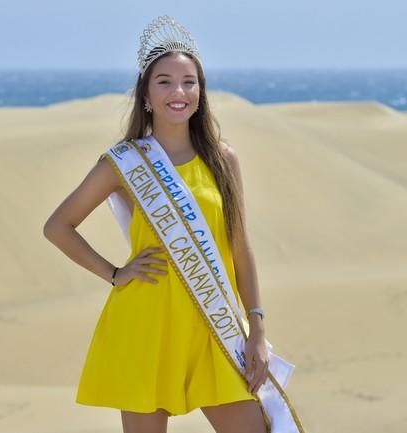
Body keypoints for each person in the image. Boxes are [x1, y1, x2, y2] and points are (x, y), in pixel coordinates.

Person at [43, 15, 272, 433]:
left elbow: (241, 248)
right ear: (146, 94)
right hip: (148, 322)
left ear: (200, 93)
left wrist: (256, 327)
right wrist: (114, 273)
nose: (178, 92)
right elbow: (58, 226)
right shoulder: (124, 163)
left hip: (213, 324)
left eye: (189, 81)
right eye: (164, 81)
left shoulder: (223, 159)